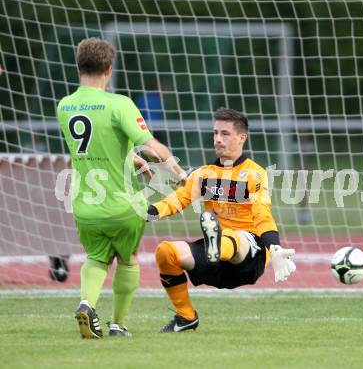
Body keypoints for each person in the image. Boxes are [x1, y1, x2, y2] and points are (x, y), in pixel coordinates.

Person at [57, 38, 186, 339]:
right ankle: (118, 325)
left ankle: (87, 303)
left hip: (84, 204)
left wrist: (131, 158)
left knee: (97, 257)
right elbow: (154, 149)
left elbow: (98, 145)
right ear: (109, 69)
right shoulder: (119, 104)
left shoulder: (65, 106)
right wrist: (180, 175)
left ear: (78, 66)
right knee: (128, 259)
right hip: (121, 203)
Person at [147, 108, 296, 333]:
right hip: (217, 258)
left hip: (249, 254)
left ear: (241, 137)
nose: (217, 139)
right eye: (215, 133)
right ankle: (186, 316)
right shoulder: (203, 174)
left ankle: (217, 245)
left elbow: (262, 214)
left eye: (225, 133)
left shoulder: (254, 174)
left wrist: (274, 248)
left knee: (233, 237)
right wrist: (148, 211)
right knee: (165, 252)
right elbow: (177, 200)